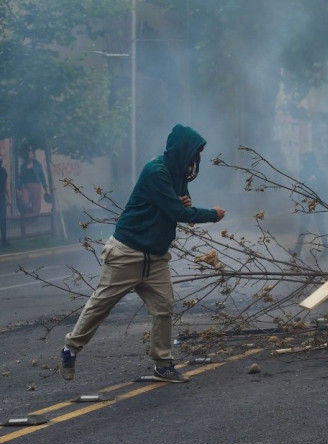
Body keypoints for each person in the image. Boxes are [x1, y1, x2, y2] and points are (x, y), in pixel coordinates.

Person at [59, 124, 226, 383]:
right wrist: (212, 215)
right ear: (182, 150)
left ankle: (163, 364)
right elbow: (180, 212)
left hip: (156, 258)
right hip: (128, 252)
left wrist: (179, 203)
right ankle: (70, 349)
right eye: (194, 153)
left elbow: (181, 201)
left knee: (164, 308)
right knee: (101, 304)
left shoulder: (179, 172)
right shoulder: (156, 171)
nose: (196, 160)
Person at [293, 151, 328, 256]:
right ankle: (297, 250)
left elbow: (324, 188)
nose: (303, 162)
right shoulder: (305, 172)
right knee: (304, 227)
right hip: (307, 203)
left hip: (316, 202)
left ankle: (326, 250)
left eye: (305, 160)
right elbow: (301, 188)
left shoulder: (318, 173)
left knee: (320, 226)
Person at [17, 149, 48, 215]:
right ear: (27, 156)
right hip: (26, 186)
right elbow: (21, 178)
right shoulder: (23, 166)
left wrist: (45, 188)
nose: (31, 155)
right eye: (30, 154)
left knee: (36, 203)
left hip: (36, 185)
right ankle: (30, 214)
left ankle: (34, 218)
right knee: (24, 201)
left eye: (32, 154)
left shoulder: (37, 164)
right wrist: (18, 188)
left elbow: (42, 176)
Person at [0, 157, 8, 246]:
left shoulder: (3, 171)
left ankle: (4, 240)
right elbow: (5, 185)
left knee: (2, 219)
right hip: (1, 196)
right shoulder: (3, 171)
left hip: (2, 196)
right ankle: (4, 240)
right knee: (3, 219)